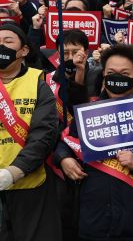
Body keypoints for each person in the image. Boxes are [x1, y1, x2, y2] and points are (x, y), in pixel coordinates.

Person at [54, 44, 133, 241]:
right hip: (95, 220)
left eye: (124, 73)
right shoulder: (90, 112)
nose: (117, 78)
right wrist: (64, 159)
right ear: (104, 76)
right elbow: (66, 143)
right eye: (111, 73)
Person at [0, 23, 61, 241]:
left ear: (23, 50)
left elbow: (44, 133)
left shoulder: (38, 81)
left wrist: (15, 171)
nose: (1, 47)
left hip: (30, 184)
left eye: (8, 42)